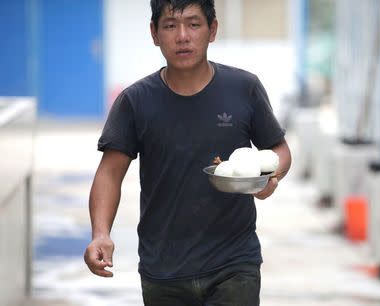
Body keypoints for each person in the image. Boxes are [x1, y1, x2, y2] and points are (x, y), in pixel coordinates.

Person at [84, 0, 291, 305]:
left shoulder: (243, 88)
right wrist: (100, 233)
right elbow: (109, 173)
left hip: (234, 265)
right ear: (155, 33)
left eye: (194, 24)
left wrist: (269, 178)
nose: (182, 36)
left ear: (213, 30)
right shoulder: (135, 101)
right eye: (170, 25)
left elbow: (278, 149)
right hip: (163, 271)